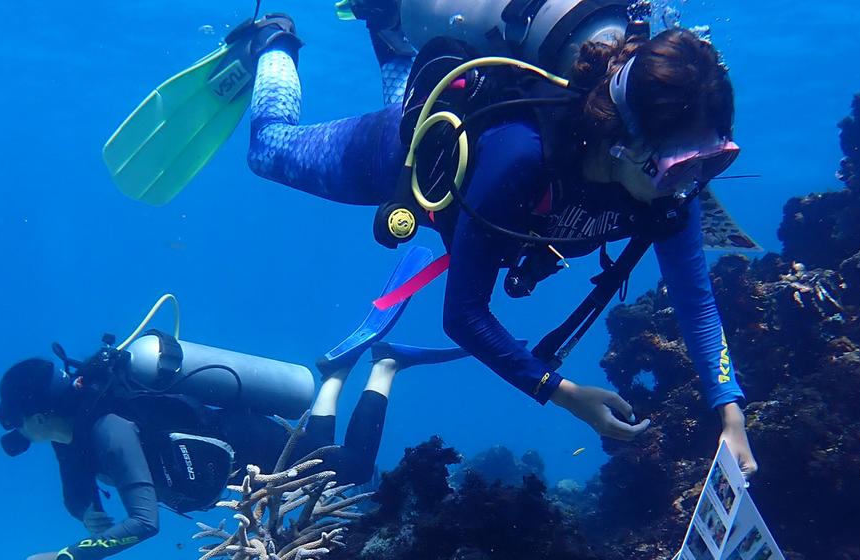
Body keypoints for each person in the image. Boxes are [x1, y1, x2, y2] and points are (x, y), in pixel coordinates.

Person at [236, 0, 758, 476]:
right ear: (623, 141)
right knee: (268, 150)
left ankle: (389, 24)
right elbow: (463, 314)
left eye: (711, 162)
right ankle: (275, 40)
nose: (690, 187)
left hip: (462, 161)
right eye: (679, 168)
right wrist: (560, 391)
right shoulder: (521, 155)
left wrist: (729, 411)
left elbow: (696, 299)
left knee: (413, 84)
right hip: (400, 156)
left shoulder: (668, 190)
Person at [2, 255, 470, 560]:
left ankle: (385, 365)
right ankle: (335, 373)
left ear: (41, 416)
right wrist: (86, 516)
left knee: (348, 469)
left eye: (20, 421)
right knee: (316, 454)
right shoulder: (70, 433)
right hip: (230, 452)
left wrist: (69, 555)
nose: (20, 434)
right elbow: (75, 489)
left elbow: (145, 521)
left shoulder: (105, 430)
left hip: (244, 443)